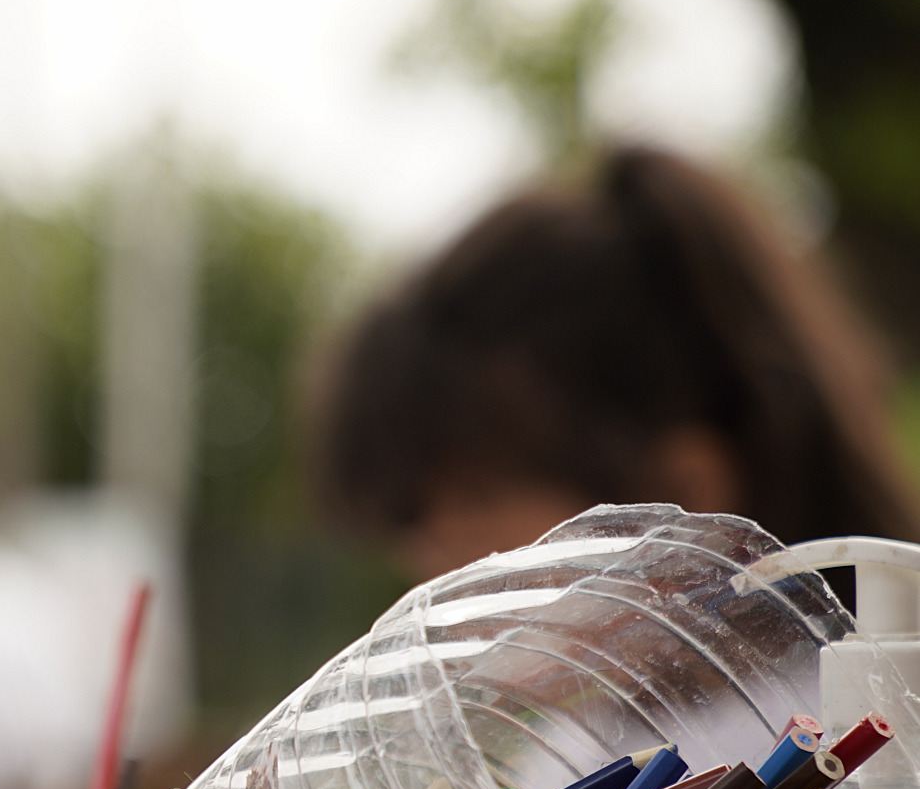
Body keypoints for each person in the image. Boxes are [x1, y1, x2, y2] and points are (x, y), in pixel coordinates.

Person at [315, 142, 920, 580]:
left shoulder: (850, 745)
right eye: (413, 520)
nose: (433, 573)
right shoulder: (575, 751)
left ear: (687, 500)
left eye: (478, 499)